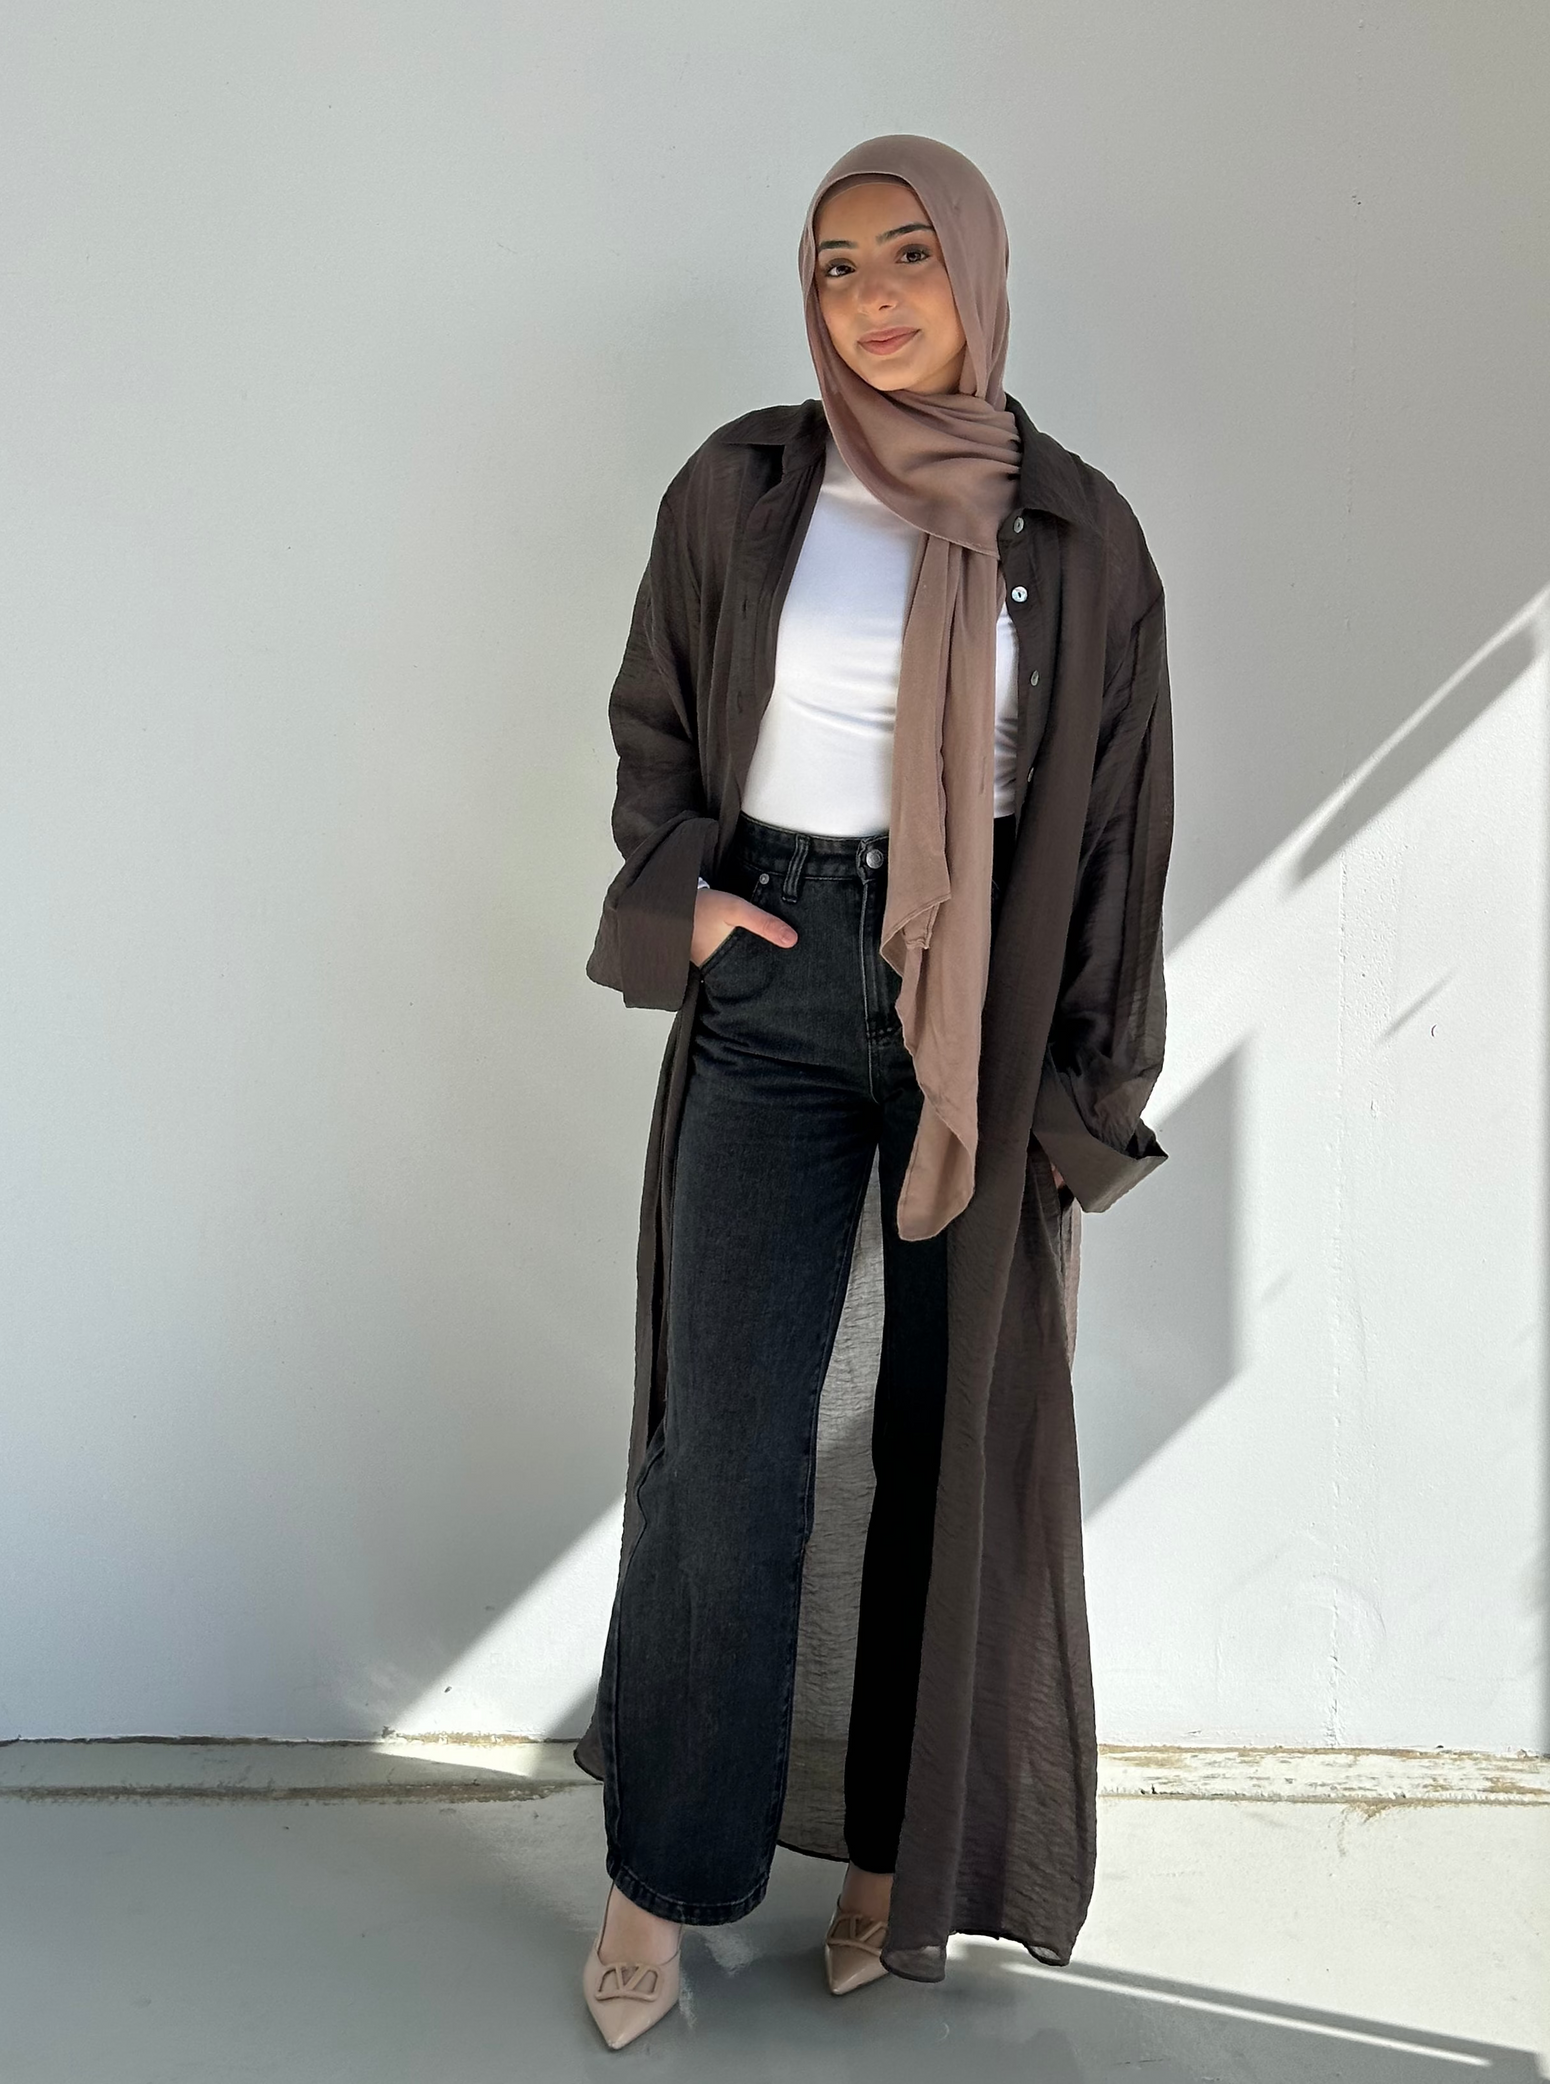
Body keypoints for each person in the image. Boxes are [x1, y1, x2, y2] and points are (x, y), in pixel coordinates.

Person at [573, 134, 1174, 2050]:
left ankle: (892, 1869)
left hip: (976, 1000)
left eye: (908, 255)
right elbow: (656, 714)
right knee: (723, 1452)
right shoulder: (744, 484)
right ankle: (659, 1880)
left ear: (975, 272)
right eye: (835, 265)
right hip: (771, 970)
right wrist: (687, 898)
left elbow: (1117, 835)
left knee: (940, 1445)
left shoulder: (1075, 531)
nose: (871, 297)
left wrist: (1085, 1096)